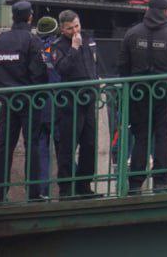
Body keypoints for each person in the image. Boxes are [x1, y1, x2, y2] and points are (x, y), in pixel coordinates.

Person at [117, 0, 167, 193]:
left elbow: (123, 66)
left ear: (147, 10)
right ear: (166, 12)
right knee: (163, 136)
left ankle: (135, 183)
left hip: (139, 93)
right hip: (166, 95)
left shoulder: (132, 34)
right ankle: (161, 180)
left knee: (141, 138)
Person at [0, 1, 47, 202]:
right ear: (30, 17)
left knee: (4, 145)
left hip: (8, 101)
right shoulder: (32, 40)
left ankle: (1, 193)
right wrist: (39, 95)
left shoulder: (0, 40)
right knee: (32, 144)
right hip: (29, 100)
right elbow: (39, 72)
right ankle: (34, 193)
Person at [51, 10, 100, 198]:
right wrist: (74, 48)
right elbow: (62, 68)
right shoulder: (57, 46)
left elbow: (94, 64)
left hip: (89, 97)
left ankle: (84, 185)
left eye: (77, 26)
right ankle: (66, 188)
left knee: (89, 144)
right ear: (63, 29)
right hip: (70, 101)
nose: (75, 30)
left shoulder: (89, 39)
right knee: (68, 146)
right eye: (70, 28)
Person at [33, 15, 61, 198]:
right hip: (58, 104)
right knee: (63, 148)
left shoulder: (34, 47)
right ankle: (70, 187)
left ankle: (41, 191)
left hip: (38, 104)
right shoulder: (59, 48)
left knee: (41, 150)